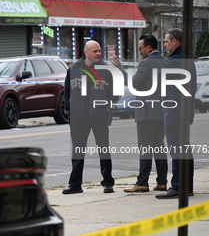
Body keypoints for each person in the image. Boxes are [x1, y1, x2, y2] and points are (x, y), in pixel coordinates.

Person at [62, 40, 120, 194]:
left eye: (100, 51)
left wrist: (109, 105)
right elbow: (67, 91)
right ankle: (75, 184)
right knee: (77, 150)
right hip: (78, 116)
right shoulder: (73, 69)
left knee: (104, 148)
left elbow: (117, 90)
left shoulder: (106, 70)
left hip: (99, 115)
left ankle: (108, 182)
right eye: (95, 51)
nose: (98, 54)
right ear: (85, 52)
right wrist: (69, 107)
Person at [119, 34, 168, 193]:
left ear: (149, 48)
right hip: (162, 112)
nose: (139, 51)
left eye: (140, 48)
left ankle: (142, 182)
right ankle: (162, 181)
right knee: (159, 147)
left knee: (145, 148)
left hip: (147, 112)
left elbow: (133, 84)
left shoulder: (147, 63)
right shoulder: (166, 61)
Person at [155, 28, 197, 199]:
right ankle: (187, 186)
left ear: (175, 41)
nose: (164, 44)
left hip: (174, 110)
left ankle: (178, 186)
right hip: (186, 109)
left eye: (166, 41)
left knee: (176, 149)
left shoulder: (171, 62)